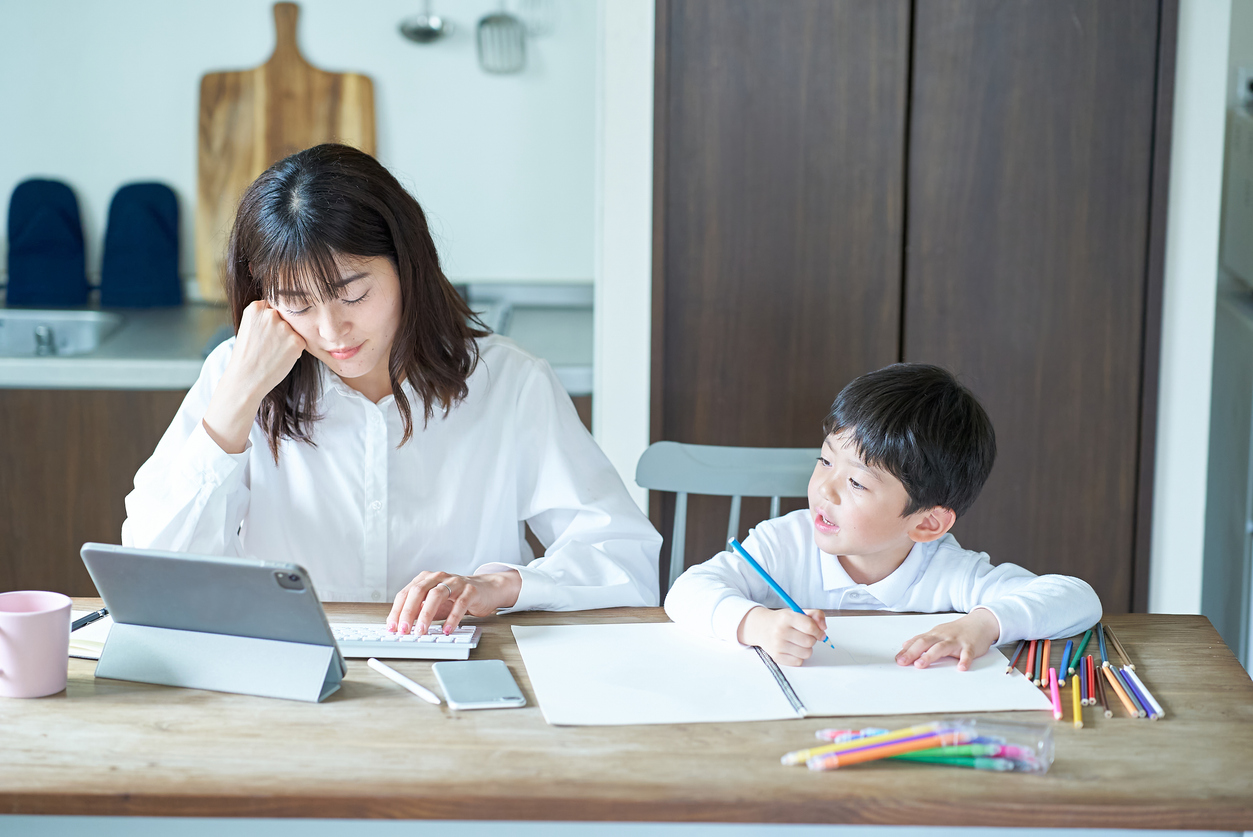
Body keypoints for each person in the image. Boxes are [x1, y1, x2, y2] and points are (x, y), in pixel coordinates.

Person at [122, 143, 661, 634]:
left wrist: (499, 585)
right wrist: (238, 397)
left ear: (407, 265)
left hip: (462, 677)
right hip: (289, 673)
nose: (331, 332)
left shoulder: (510, 383)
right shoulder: (236, 377)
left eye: (352, 294)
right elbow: (150, 570)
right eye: (297, 303)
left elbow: (625, 561)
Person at [664, 363, 1102, 668]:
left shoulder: (948, 571)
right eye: (825, 461)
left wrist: (983, 624)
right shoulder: (785, 542)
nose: (825, 489)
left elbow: (1078, 598)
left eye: (856, 483)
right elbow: (685, 592)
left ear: (927, 523)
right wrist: (755, 623)